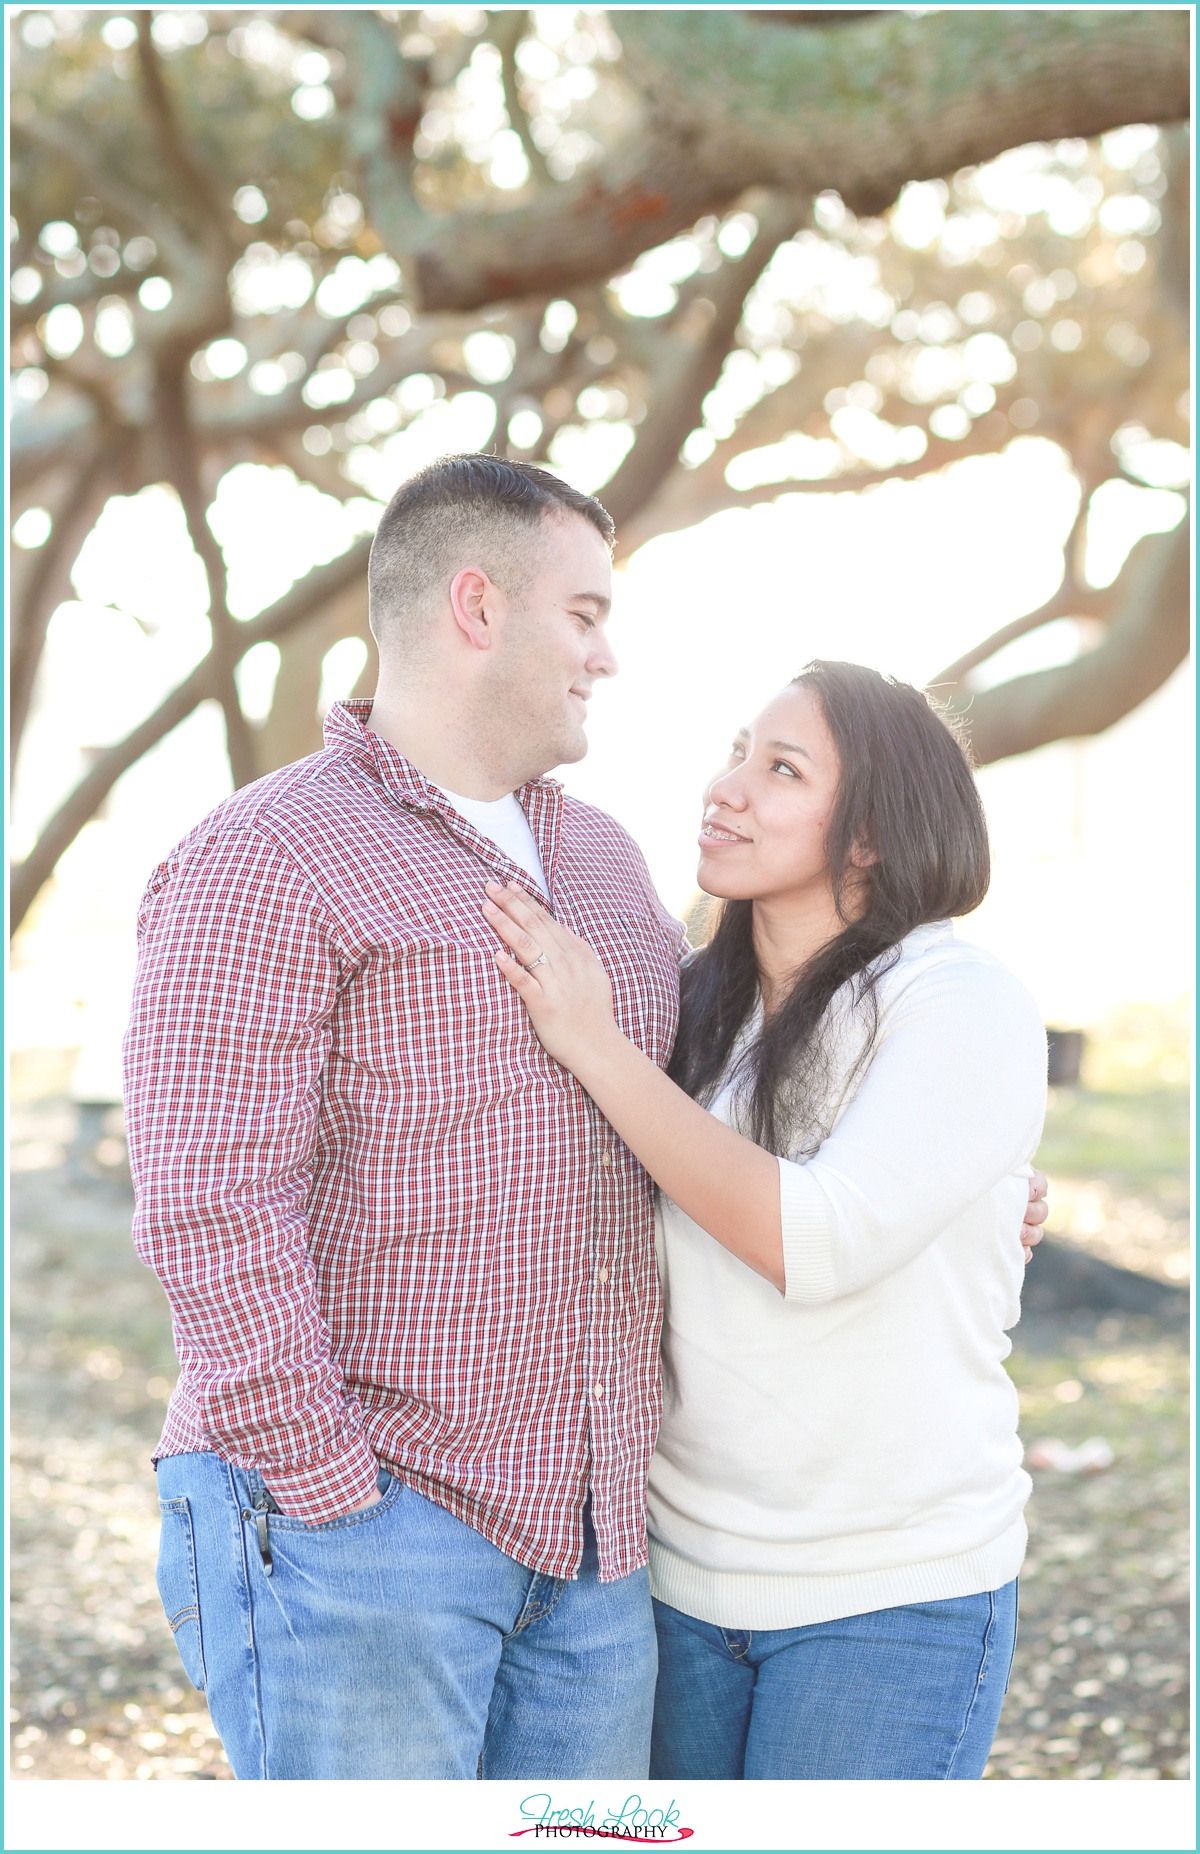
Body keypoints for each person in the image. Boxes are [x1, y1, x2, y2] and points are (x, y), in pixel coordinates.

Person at [123, 456, 686, 1780]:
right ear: (477, 606)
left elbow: (691, 1097)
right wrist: (336, 1503)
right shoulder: (265, 855)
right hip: (375, 1528)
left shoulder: (607, 859)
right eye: (586, 614)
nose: (608, 655)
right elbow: (212, 1208)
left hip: (598, 1547)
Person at [482, 658, 1049, 1781]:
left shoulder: (956, 999)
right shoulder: (687, 1008)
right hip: (675, 1590)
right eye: (737, 751)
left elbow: (818, 1240)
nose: (726, 787)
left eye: (780, 769)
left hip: (890, 1600)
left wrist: (589, 1043)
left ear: (873, 837)